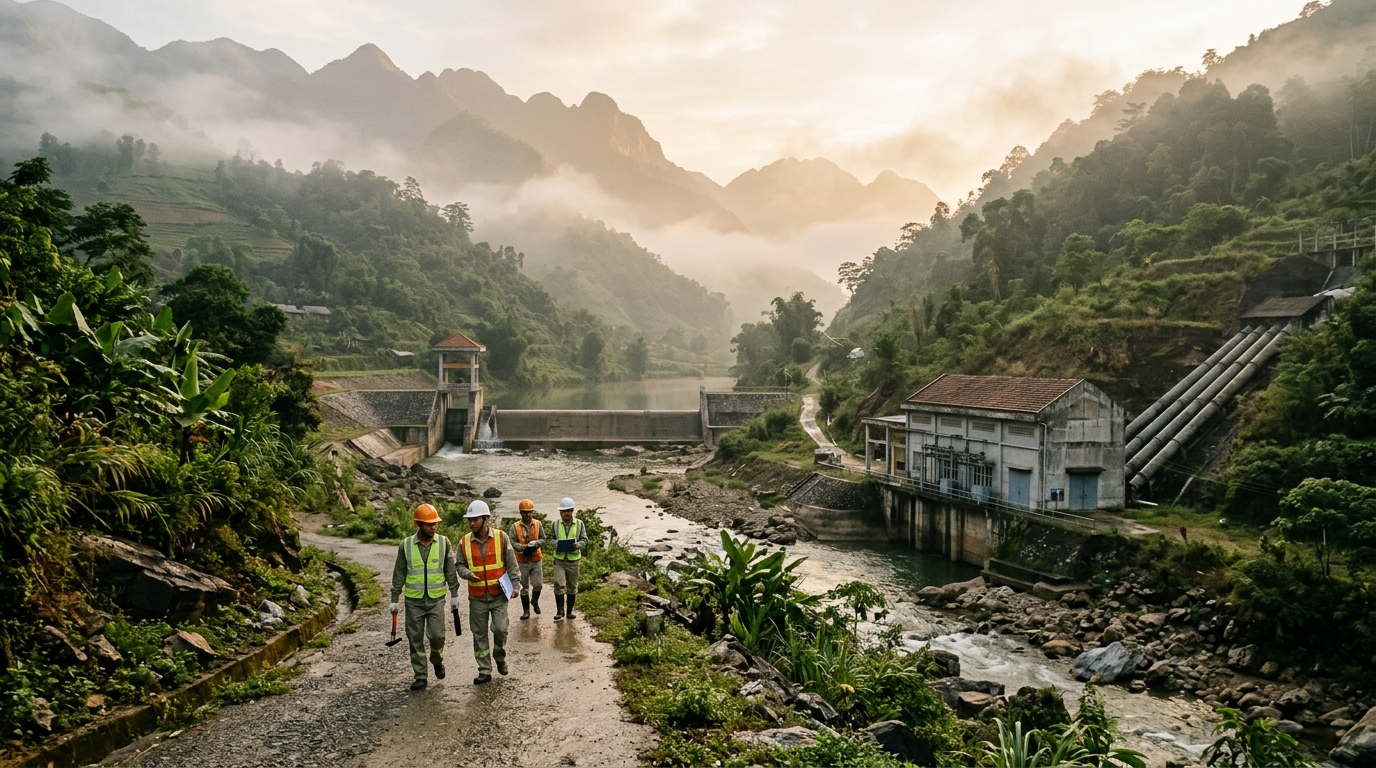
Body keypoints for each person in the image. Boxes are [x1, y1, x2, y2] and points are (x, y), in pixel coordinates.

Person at [389, 503, 461, 691]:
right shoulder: (405, 545)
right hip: (414, 602)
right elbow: (399, 573)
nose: (433, 527)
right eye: (429, 524)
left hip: (436, 600)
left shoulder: (444, 543)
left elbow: (450, 571)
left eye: (435, 523)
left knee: (437, 636)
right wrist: (394, 599)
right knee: (415, 639)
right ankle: (420, 675)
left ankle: (436, 659)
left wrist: (454, 594)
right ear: (418, 524)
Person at [455, 500, 519, 685]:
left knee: (500, 629)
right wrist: (467, 574)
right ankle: (484, 670)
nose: (472, 523)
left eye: (475, 520)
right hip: (477, 598)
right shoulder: (464, 542)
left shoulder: (501, 537)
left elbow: (511, 564)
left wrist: (515, 585)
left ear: (486, 519)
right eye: (470, 520)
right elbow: (459, 565)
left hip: (499, 595)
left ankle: (499, 656)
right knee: (479, 633)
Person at [550, 497, 588, 621]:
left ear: (572, 511)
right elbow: (551, 538)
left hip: (573, 560)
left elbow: (584, 539)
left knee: (572, 586)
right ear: (560, 512)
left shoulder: (579, 524)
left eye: (568, 511)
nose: (566, 513)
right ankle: (560, 611)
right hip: (559, 559)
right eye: (563, 511)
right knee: (559, 584)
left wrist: (579, 545)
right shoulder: (555, 524)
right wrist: (554, 543)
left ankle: (569, 611)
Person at [509, 499, 544, 620]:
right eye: (525, 512)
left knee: (538, 584)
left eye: (529, 512)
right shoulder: (515, 527)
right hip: (522, 560)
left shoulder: (538, 524)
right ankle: (526, 611)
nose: (527, 514)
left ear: (532, 512)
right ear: (520, 513)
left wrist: (536, 544)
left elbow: (543, 538)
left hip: (536, 559)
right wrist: (522, 547)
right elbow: (512, 541)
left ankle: (534, 601)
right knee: (524, 587)